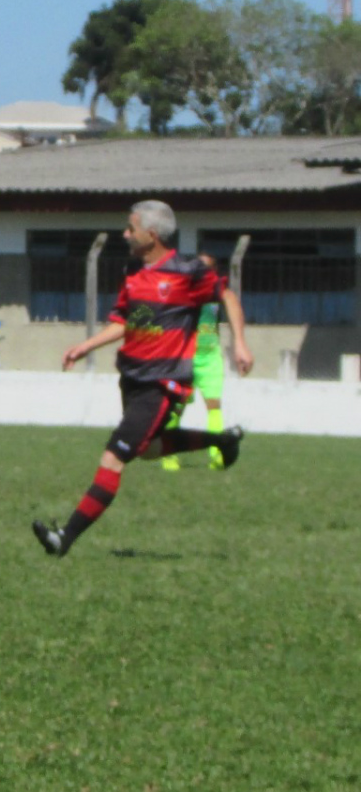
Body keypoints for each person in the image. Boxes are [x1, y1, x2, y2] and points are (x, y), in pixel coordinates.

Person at [33, 201, 254, 558]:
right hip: (133, 377)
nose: (124, 233)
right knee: (150, 450)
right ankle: (222, 441)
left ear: (150, 235)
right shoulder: (134, 270)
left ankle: (64, 538)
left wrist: (240, 343)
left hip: (164, 383)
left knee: (113, 457)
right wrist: (85, 346)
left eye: (130, 227)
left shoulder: (189, 271)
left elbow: (227, 296)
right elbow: (124, 320)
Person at [160, 253, 244, 472]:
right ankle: (169, 454)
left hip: (210, 355)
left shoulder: (218, 293)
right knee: (177, 407)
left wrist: (239, 343)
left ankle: (217, 454)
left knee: (214, 405)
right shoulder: (184, 291)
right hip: (185, 356)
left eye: (206, 268)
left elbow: (230, 302)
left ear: (214, 271)